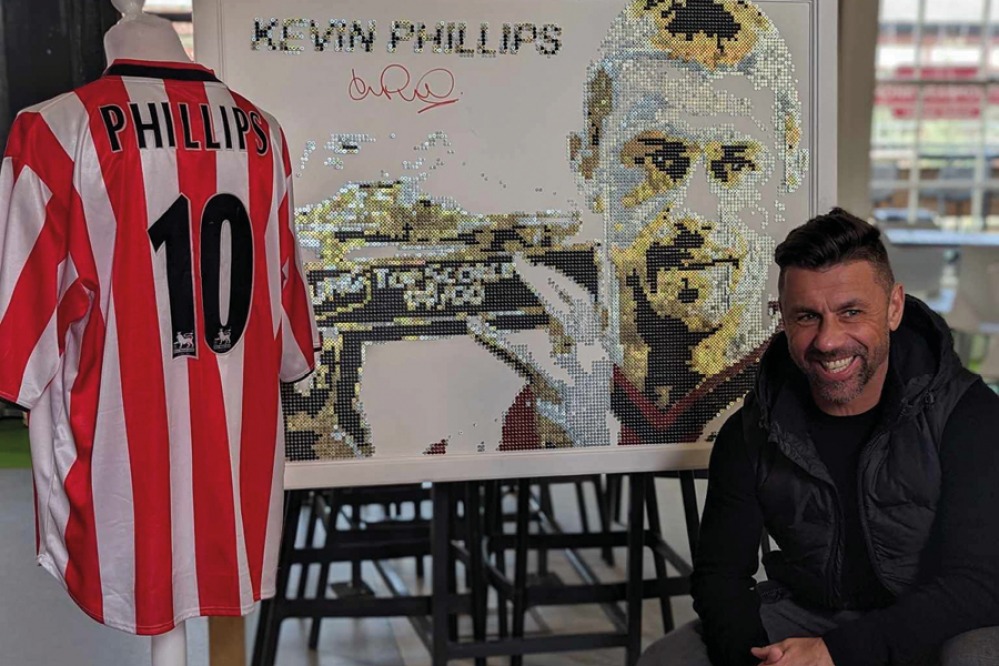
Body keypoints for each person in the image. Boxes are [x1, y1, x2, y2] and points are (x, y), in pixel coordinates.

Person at [637, 207, 999, 666]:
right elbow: (721, 577)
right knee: (668, 660)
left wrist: (836, 654)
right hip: (815, 613)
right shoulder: (751, 432)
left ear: (893, 308)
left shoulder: (969, 416)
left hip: (938, 619)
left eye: (851, 312)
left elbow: (980, 584)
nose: (828, 341)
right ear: (783, 319)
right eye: (807, 316)